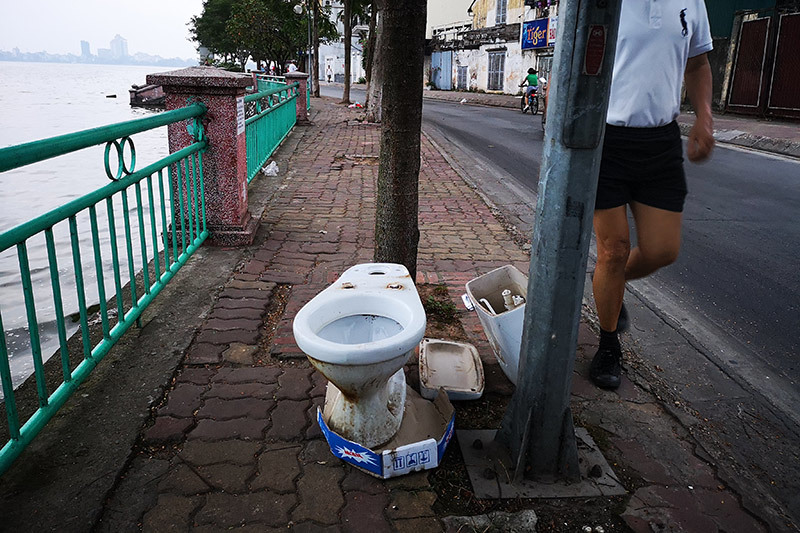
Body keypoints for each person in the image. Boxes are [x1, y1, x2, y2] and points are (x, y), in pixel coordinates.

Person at [590, 0, 715, 389]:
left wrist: (704, 117)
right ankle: (608, 345)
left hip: (660, 141)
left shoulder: (691, 2)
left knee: (663, 250)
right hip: (605, 139)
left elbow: (697, 63)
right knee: (614, 249)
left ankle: (612, 285)